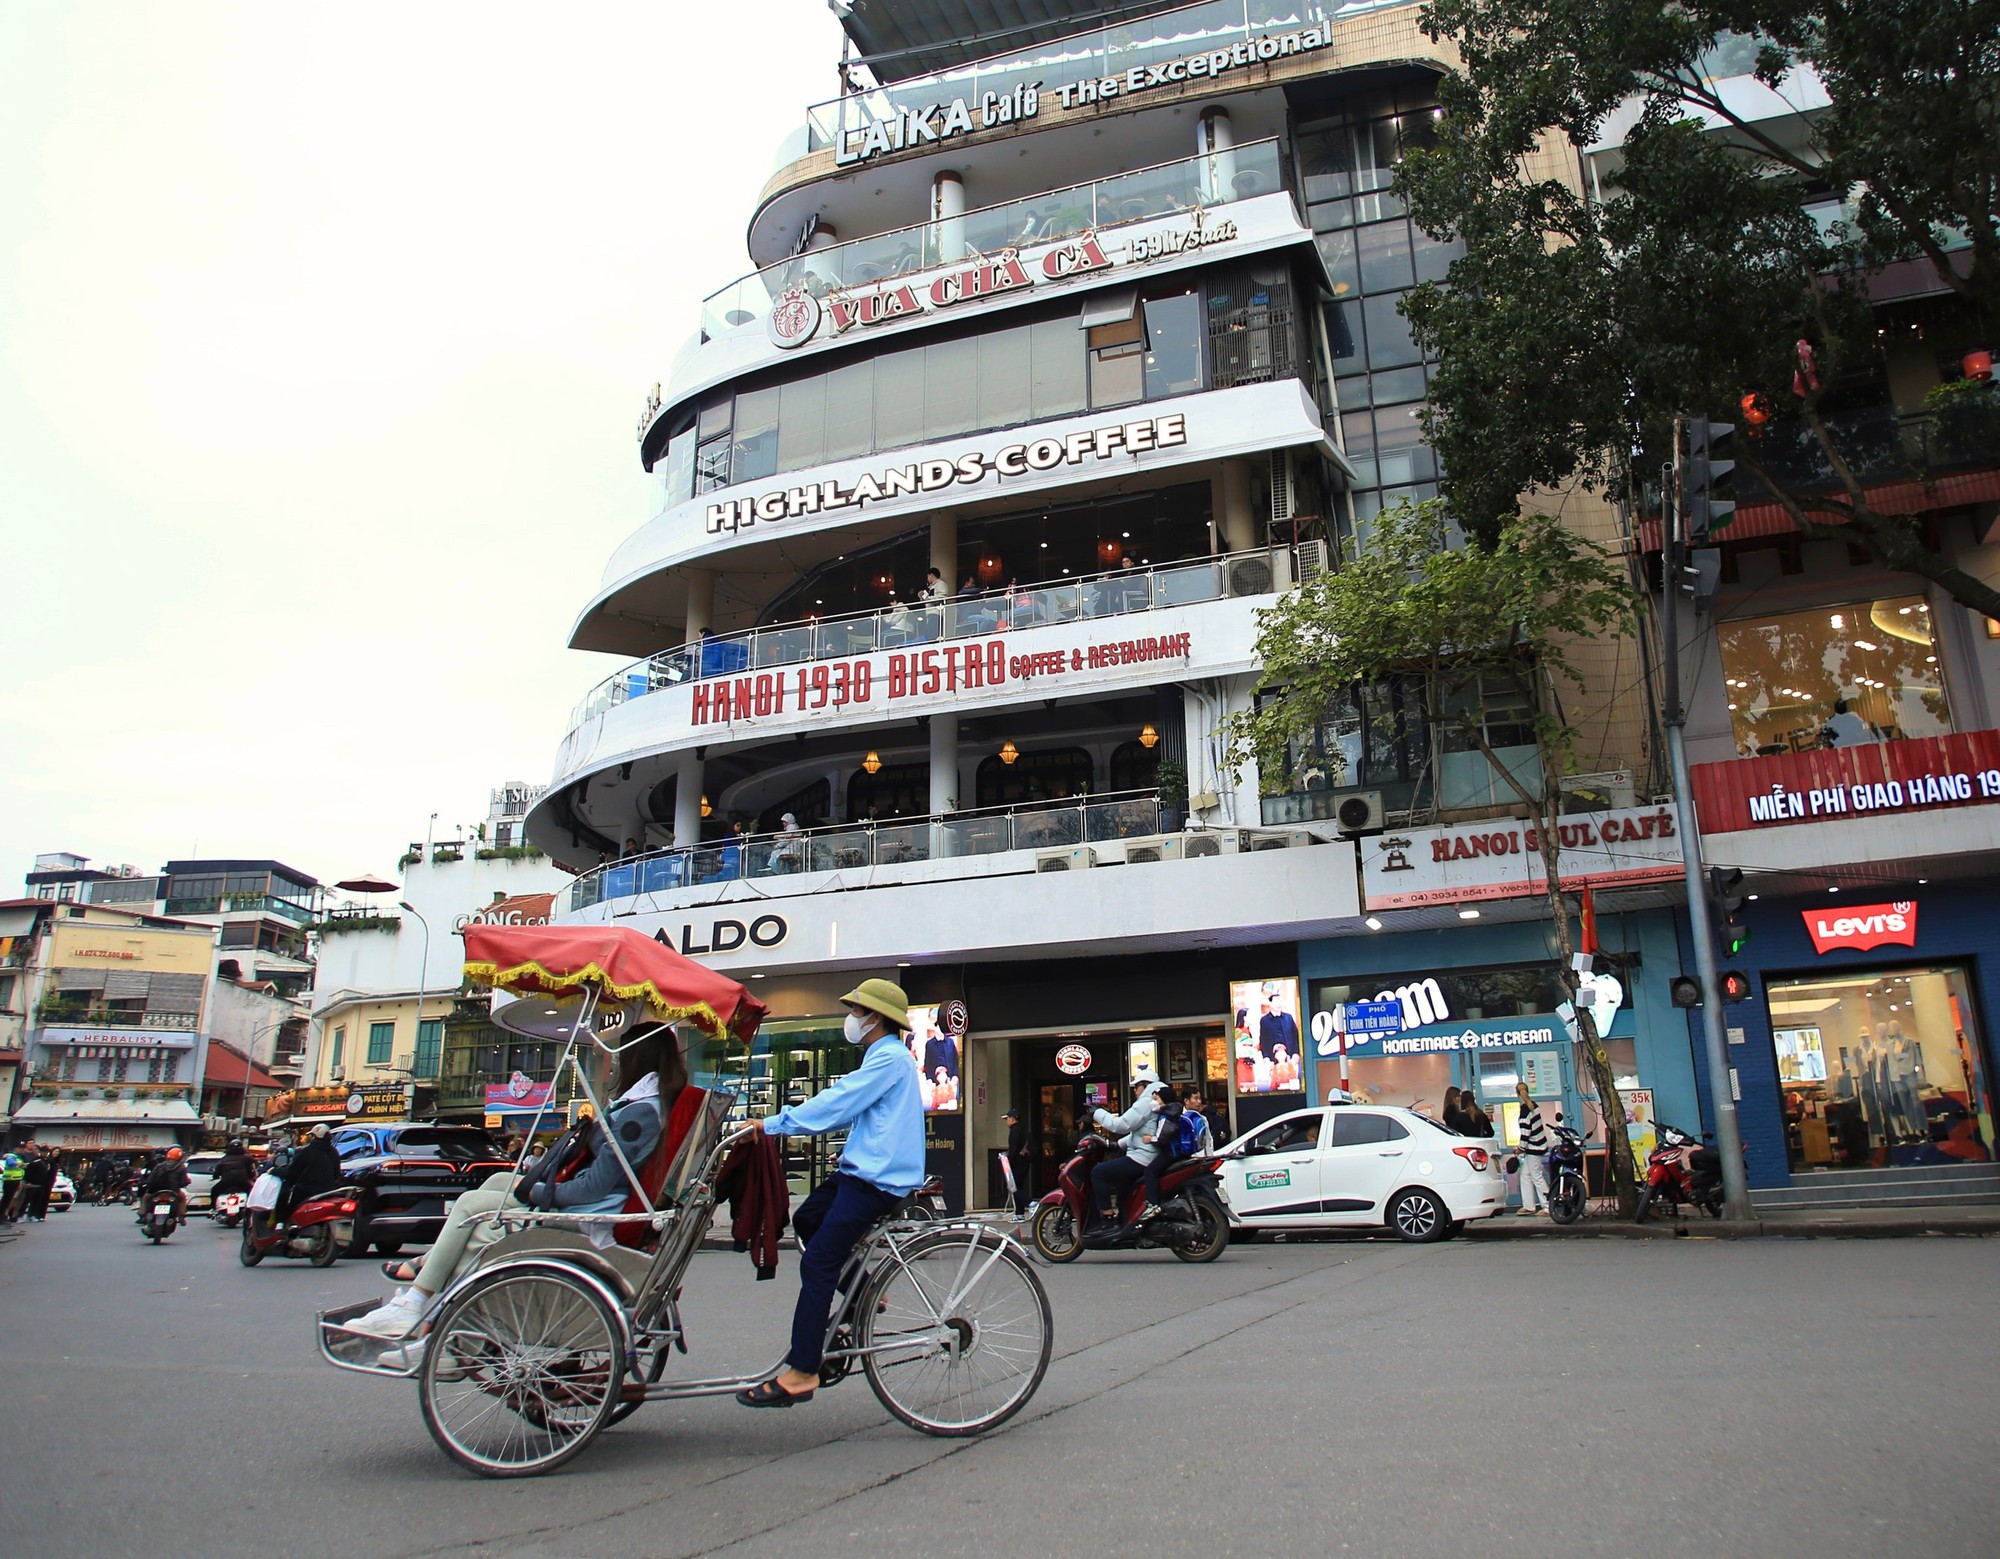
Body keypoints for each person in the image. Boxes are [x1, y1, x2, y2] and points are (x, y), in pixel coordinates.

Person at [344, 1024, 684, 1344]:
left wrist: (534, 1192)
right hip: (600, 1201)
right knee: (497, 1180)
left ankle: (416, 1302)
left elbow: (592, 1188)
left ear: (636, 1059)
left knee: (471, 1212)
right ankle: (434, 1289)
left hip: (595, 1214)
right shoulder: (643, 1106)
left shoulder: (637, 1113)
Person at [734, 979, 925, 1409]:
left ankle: (803, 1371)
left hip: (876, 1180)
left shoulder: (890, 1059)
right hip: (860, 1172)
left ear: (876, 1019)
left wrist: (773, 1123)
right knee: (806, 1220)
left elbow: (837, 1104)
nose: (852, 1019)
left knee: (819, 1260)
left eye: (857, 1012)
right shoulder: (882, 1056)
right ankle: (863, 1294)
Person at [1087, 1074, 1168, 1231]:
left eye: (1136, 1087)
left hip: (1143, 1157)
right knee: (1122, 1186)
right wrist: (1117, 1144)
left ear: (1145, 1085)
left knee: (1098, 1172)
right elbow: (1138, 1132)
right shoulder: (1154, 1102)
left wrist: (1097, 1112)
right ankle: (1125, 1219)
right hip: (1146, 1154)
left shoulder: (1145, 1103)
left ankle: (1107, 1218)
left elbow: (1121, 1124)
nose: (1135, 1092)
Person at [276, 1124, 343, 1223]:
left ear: (315, 1136)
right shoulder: (334, 1152)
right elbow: (337, 1174)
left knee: (287, 1205)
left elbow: (293, 1172)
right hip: (327, 1192)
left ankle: (282, 1225)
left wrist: (276, 1172)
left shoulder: (306, 1151)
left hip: (305, 1191)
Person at [1515, 1080, 1552, 1215]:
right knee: (1525, 1175)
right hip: (1540, 1145)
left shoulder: (1525, 1110)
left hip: (1533, 1148)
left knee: (1536, 1176)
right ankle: (1529, 1206)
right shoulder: (1534, 1106)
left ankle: (1547, 1206)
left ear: (1517, 1094)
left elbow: (1525, 1132)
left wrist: (1520, 1148)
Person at [140, 1146, 191, 1228]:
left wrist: (148, 1185)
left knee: (146, 1197)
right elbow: (183, 1182)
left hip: (156, 1190)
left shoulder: (159, 1166)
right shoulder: (181, 1167)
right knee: (182, 1198)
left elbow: (150, 1179)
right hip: (173, 1191)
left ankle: (142, 1214)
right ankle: (181, 1216)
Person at [1003, 1109, 1031, 1216]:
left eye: (1007, 1118)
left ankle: (1031, 1202)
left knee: (1014, 1187)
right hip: (1024, 1162)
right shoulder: (1024, 1129)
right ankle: (1019, 1214)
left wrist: (1009, 1161)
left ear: (1013, 1119)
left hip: (1017, 1163)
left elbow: (1013, 1149)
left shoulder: (1015, 1131)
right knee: (1018, 1186)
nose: (1007, 1121)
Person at [21, 1145, 56, 1222]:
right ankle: (22, 1215)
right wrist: (28, 1181)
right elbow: (28, 1171)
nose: (45, 1153)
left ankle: (34, 1215)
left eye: (47, 1152)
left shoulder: (48, 1161)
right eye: (44, 1152)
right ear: (40, 1152)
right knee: (27, 1200)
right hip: (33, 1183)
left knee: (38, 1201)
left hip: (42, 1184)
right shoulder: (35, 1161)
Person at [0, 1147, 23, 1221]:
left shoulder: (18, 1157)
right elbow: (11, 1163)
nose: (21, 1150)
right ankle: (1, 1216)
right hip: (9, 1180)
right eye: (20, 1148)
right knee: (6, 1199)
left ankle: (3, 1216)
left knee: (9, 1199)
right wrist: (19, 1164)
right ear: (15, 1148)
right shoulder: (11, 1156)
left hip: (16, 1180)